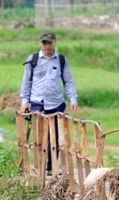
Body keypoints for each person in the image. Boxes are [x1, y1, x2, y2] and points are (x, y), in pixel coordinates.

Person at [19, 30, 78, 172]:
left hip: (56, 103)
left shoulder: (61, 60)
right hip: (37, 102)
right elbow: (26, 81)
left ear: (54, 43)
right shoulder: (33, 59)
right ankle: (40, 166)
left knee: (55, 137)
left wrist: (73, 99)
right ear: (41, 43)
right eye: (44, 43)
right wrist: (24, 101)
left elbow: (68, 81)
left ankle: (51, 168)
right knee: (39, 137)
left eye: (49, 43)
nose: (47, 46)